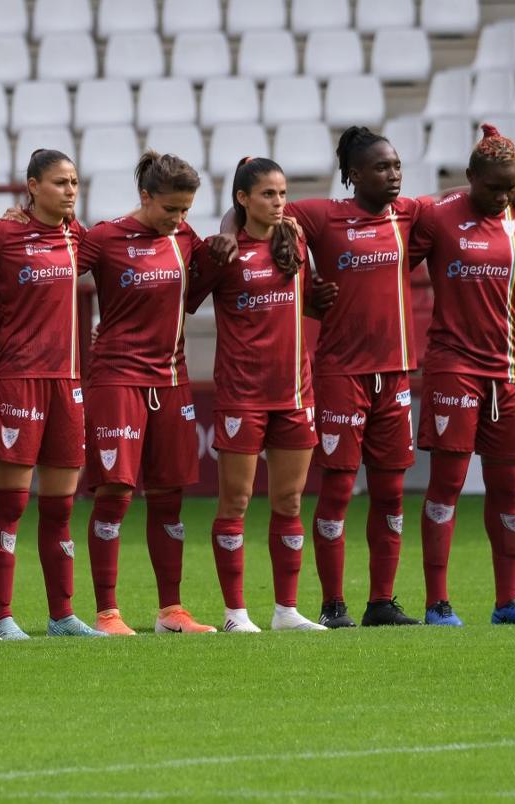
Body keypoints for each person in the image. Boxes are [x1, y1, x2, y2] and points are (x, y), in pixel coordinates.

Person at [210, 127, 515, 628]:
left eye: (397, 167)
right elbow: (257, 209)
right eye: (382, 168)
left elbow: (470, 195)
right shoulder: (320, 215)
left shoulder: (411, 213)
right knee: (340, 490)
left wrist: (510, 190)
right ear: (354, 174)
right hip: (341, 371)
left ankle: (382, 603)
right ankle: (333, 604)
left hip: (395, 376)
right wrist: (222, 230)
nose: (394, 175)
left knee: (390, 493)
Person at [411, 124, 515, 626]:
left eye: (510, 185)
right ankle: (437, 603)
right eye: (493, 186)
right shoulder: (439, 216)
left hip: (510, 368)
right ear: (471, 177)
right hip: (454, 365)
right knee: (447, 484)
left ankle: (508, 603)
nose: (501, 196)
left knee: (507, 489)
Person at [73, 150, 216, 636]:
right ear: (145, 196)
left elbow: (197, 292)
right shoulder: (106, 237)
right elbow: (56, 267)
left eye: (185, 210)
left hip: (171, 379)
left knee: (169, 495)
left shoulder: (184, 239)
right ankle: (107, 612)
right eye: (170, 209)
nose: (178, 219)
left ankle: (171, 611)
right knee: (114, 491)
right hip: (116, 378)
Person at [187, 158, 326, 633]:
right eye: (268, 194)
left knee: (289, 503)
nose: (279, 202)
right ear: (243, 199)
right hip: (241, 395)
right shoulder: (224, 251)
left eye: (283, 193)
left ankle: (286, 611)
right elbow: (186, 301)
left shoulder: (296, 239)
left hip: (294, 393)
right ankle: (235, 613)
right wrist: (217, 243)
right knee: (236, 504)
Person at [0, 150, 101, 640]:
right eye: (60, 182)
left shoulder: (77, 238)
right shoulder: (2, 235)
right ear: (32, 186)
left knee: (61, 507)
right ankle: (2, 617)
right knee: (11, 503)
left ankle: (62, 616)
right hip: (18, 380)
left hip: (67, 383)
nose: (70, 190)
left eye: (74, 182)